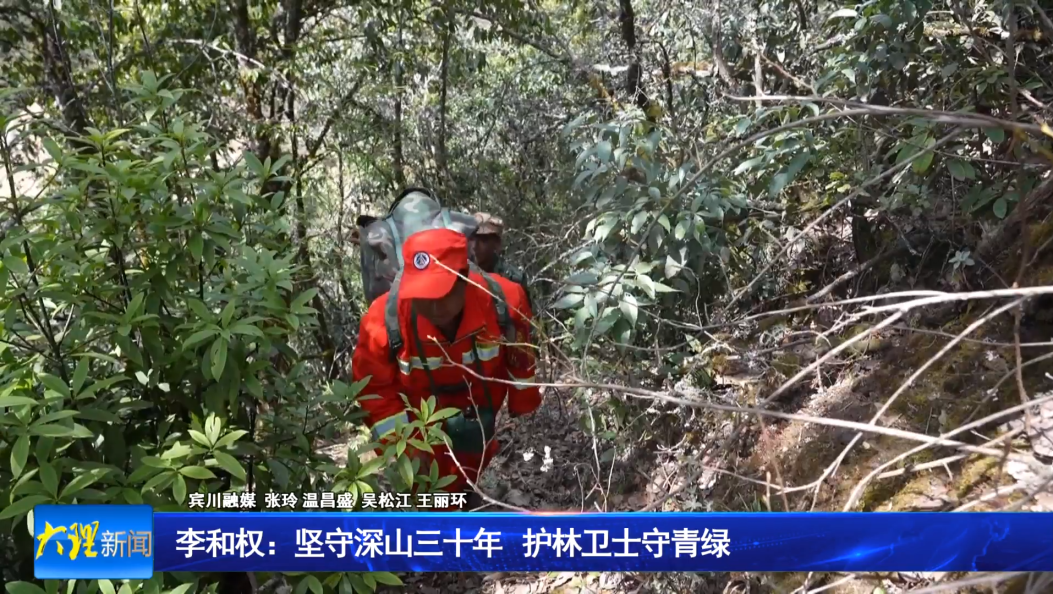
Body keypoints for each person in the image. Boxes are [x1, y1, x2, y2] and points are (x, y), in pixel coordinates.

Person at [350, 228, 541, 510]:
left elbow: (522, 367)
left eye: (441, 293)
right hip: (423, 437)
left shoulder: (506, 301)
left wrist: (524, 422)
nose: (433, 306)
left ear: (464, 278)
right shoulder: (381, 321)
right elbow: (374, 391)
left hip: (485, 425)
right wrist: (404, 447)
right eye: (422, 295)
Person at [471, 213, 531, 304]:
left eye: (483, 240)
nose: (474, 246)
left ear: (497, 243)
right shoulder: (460, 272)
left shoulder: (513, 278)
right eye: (471, 238)